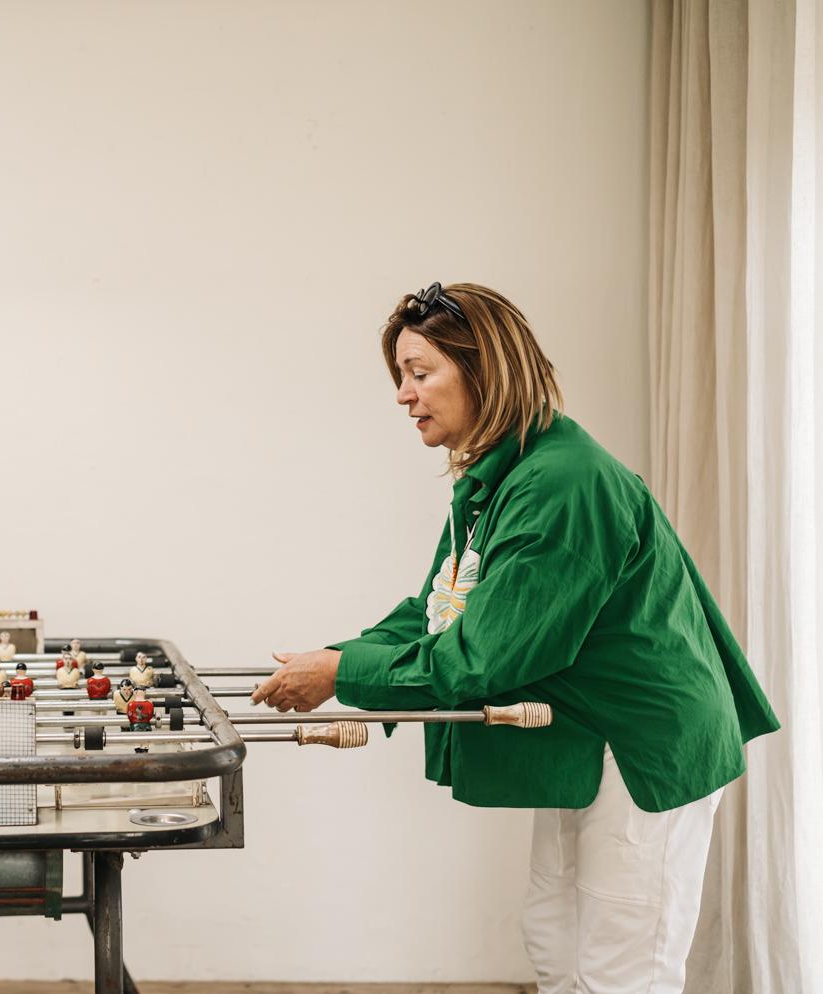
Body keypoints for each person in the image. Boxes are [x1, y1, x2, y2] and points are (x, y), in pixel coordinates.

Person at [252, 282, 779, 994]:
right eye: (400, 376)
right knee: (555, 941)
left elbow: (483, 656)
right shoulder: (499, 478)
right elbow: (438, 612)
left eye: (419, 372)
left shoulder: (562, 483)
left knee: (622, 968)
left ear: (483, 369)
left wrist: (340, 675)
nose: (404, 396)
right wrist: (336, 659)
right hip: (586, 738)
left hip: (644, 745)